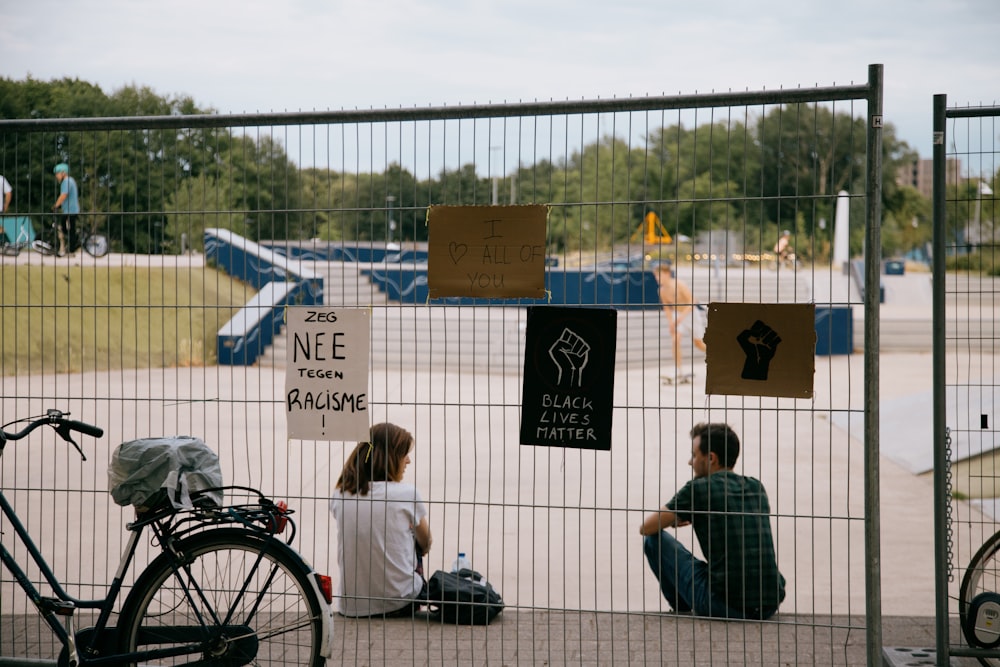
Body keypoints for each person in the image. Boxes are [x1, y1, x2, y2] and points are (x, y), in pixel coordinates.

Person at [639, 422, 785, 619]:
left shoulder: (698, 489)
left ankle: (681, 608)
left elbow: (647, 527)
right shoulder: (756, 487)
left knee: (653, 540)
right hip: (768, 604)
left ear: (711, 458)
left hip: (723, 604)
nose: (690, 462)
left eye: (694, 455)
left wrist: (677, 519)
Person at [330, 422, 433, 617]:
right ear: (392, 458)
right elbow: (426, 542)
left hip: (351, 606)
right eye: (404, 454)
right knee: (416, 537)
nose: (408, 461)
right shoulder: (407, 493)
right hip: (399, 602)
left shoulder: (340, 493)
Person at [654, 261, 707, 377]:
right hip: (677, 315)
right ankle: (678, 370)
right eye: (656, 276)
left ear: (667, 274)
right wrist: (671, 323)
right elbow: (667, 308)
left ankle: (715, 355)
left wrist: (681, 318)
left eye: (659, 275)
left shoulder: (679, 284)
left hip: (691, 314)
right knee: (675, 340)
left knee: (699, 343)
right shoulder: (661, 290)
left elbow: (692, 301)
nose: (657, 278)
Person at [52, 163, 80, 255]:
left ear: (63, 173)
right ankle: (73, 243)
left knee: (67, 229)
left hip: (70, 210)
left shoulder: (66, 181)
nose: (57, 176)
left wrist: (56, 205)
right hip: (71, 209)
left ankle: (72, 247)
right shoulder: (71, 180)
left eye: (57, 174)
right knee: (68, 228)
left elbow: (63, 195)